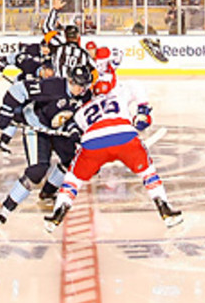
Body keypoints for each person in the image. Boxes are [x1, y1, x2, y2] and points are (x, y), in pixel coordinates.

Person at [44, 62, 181, 231]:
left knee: (73, 180)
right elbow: (136, 85)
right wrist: (143, 110)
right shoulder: (119, 95)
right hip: (125, 137)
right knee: (148, 173)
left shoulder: (81, 110)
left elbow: (76, 132)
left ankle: (57, 214)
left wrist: (72, 132)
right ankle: (164, 209)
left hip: (93, 143)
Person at [0, 63, 90, 225]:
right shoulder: (53, 86)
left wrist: (75, 129)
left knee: (71, 160)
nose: (80, 89)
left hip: (57, 130)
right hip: (36, 127)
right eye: (77, 85)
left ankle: (47, 193)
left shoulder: (85, 96)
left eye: (84, 85)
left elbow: (78, 117)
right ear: (70, 80)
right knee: (37, 171)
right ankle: (5, 208)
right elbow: (18, 89)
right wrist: (6, 110)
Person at [0, 36, 55, 154]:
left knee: (29, 115)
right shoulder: (29, 58)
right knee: (17, 114)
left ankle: (4, 142)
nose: (47, 50)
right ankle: (3, 142)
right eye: (46, 48)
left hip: (37, 92)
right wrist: (0, 64)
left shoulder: (51, 58)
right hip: (22, 91)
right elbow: (15, 57)